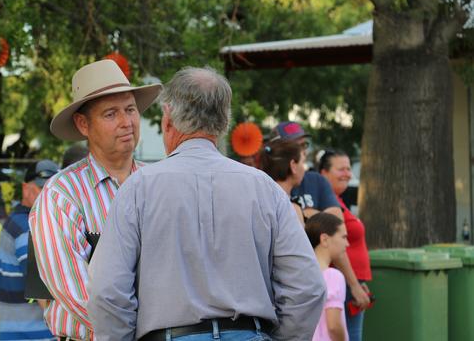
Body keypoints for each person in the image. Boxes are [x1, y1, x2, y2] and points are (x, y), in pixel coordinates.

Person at [87, 66, 325, 341]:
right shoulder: (265, 189)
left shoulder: (138, 189)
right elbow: (307, 287)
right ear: (224, 122)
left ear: (168, 119)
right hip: (250, 333)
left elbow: (107, 291)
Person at [28, 59, 162, 340]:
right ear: (82, 124)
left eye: (130, 110)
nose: (126, 122)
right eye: (111, 114)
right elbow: (79, 293)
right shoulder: (60, 196)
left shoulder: (160, 184)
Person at [271, 121, 370, 309]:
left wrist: (353, 284)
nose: (303, 151)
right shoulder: (264, 182)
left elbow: (335, 230)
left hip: (324, 279)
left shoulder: (315, 180)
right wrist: (316, 217)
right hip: (286, 288)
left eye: (304, 145)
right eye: (296, 145)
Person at [0, 160, 59, 341]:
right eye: (42, 189)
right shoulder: (28, 227)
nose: (48, 196)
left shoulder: (19, 222)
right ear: (26, 188)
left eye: (53, 190)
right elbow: (43, 295)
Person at [319, 150, 372, 341]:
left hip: (350, 284)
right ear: (324, 173)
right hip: (343, 284)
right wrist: (354, 285)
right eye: (341, 169)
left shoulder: (338, 201)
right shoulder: (329, 205)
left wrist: (359, 283)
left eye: (349, 169)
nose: (347, 174)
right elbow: (337, 249)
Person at [305, 213, 350, 341]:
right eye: (343, 237)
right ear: (324, 239)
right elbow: (334, 326)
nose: (347, 244)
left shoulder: (300, 276)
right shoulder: (333, 276)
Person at [257, 139, 306, 224]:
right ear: (293, 165)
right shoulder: (291, 209)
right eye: (303, 162)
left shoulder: (259, 201)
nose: (304, 168)